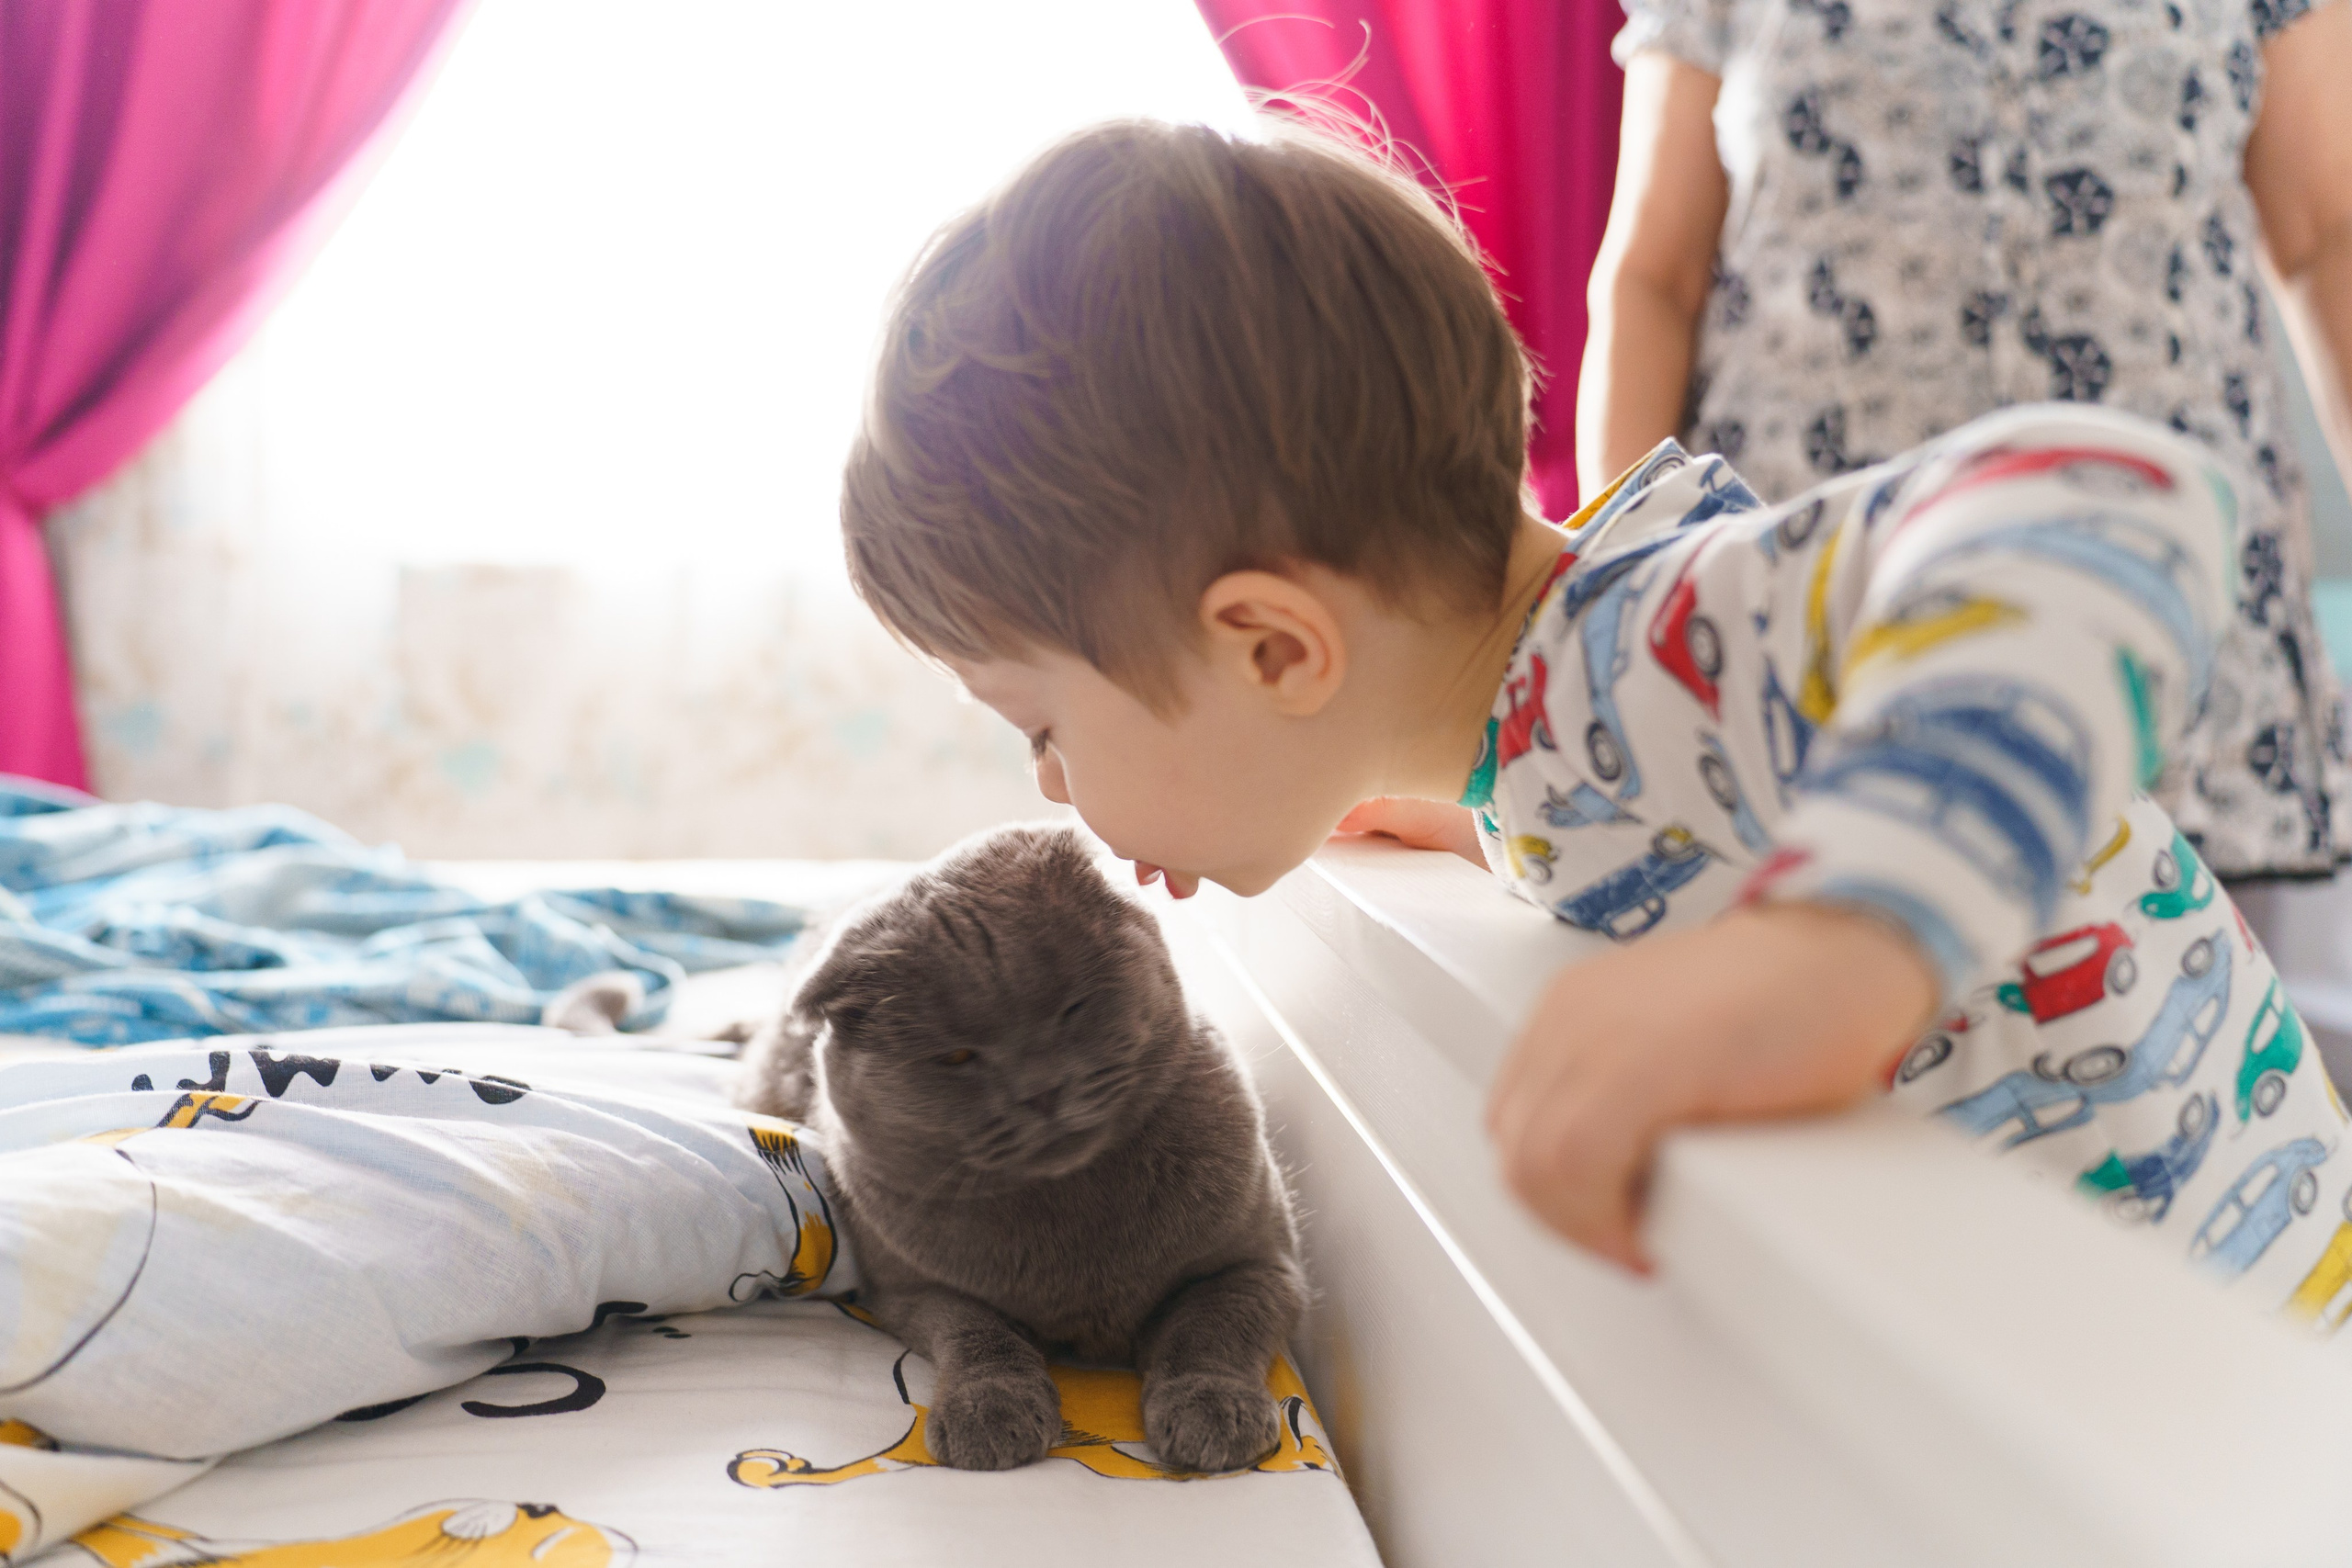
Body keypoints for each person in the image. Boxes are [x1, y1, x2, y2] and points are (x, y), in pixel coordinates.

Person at [837, 118, 2350, 1315]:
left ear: (1276, 651)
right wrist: (1478, 817)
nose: (1055, 791)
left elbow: (2111, 498)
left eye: (1043, 726)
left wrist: (1839, 940)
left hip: (2254, 1364)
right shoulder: (1560, 724)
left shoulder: (1662, 638)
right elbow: (1696, 804)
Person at [1578, 0, 2352, 886]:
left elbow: (2329, 235)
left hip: (2165, 639)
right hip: (1820, 638)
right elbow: (1654, 278)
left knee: (2182, 1004)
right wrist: (1614, 606)